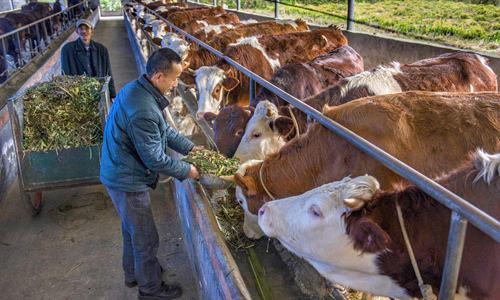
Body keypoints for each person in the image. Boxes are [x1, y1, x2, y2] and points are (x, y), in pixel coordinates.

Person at [100, 48, 201, 300]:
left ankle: (134, 274)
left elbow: (164, 131)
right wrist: (188, 170)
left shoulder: (138, 90)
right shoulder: (143, 108)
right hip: (127, 179)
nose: (176, 83)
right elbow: (155, 159)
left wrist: (192, 149)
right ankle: (150, 290)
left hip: (117, 169)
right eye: (174, 78)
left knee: (131, 228)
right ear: (158, 76)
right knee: (146, 238)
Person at [60, 19, 116, 98]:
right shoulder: (67, 50)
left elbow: (108, 72)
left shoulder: (102, 50)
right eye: (81, 28)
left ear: (92, 31)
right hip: (79, 95)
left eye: (86, 28)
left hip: (99, 93)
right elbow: (64, 76)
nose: (84, 31)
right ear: (77, 31)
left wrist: (112, 95)